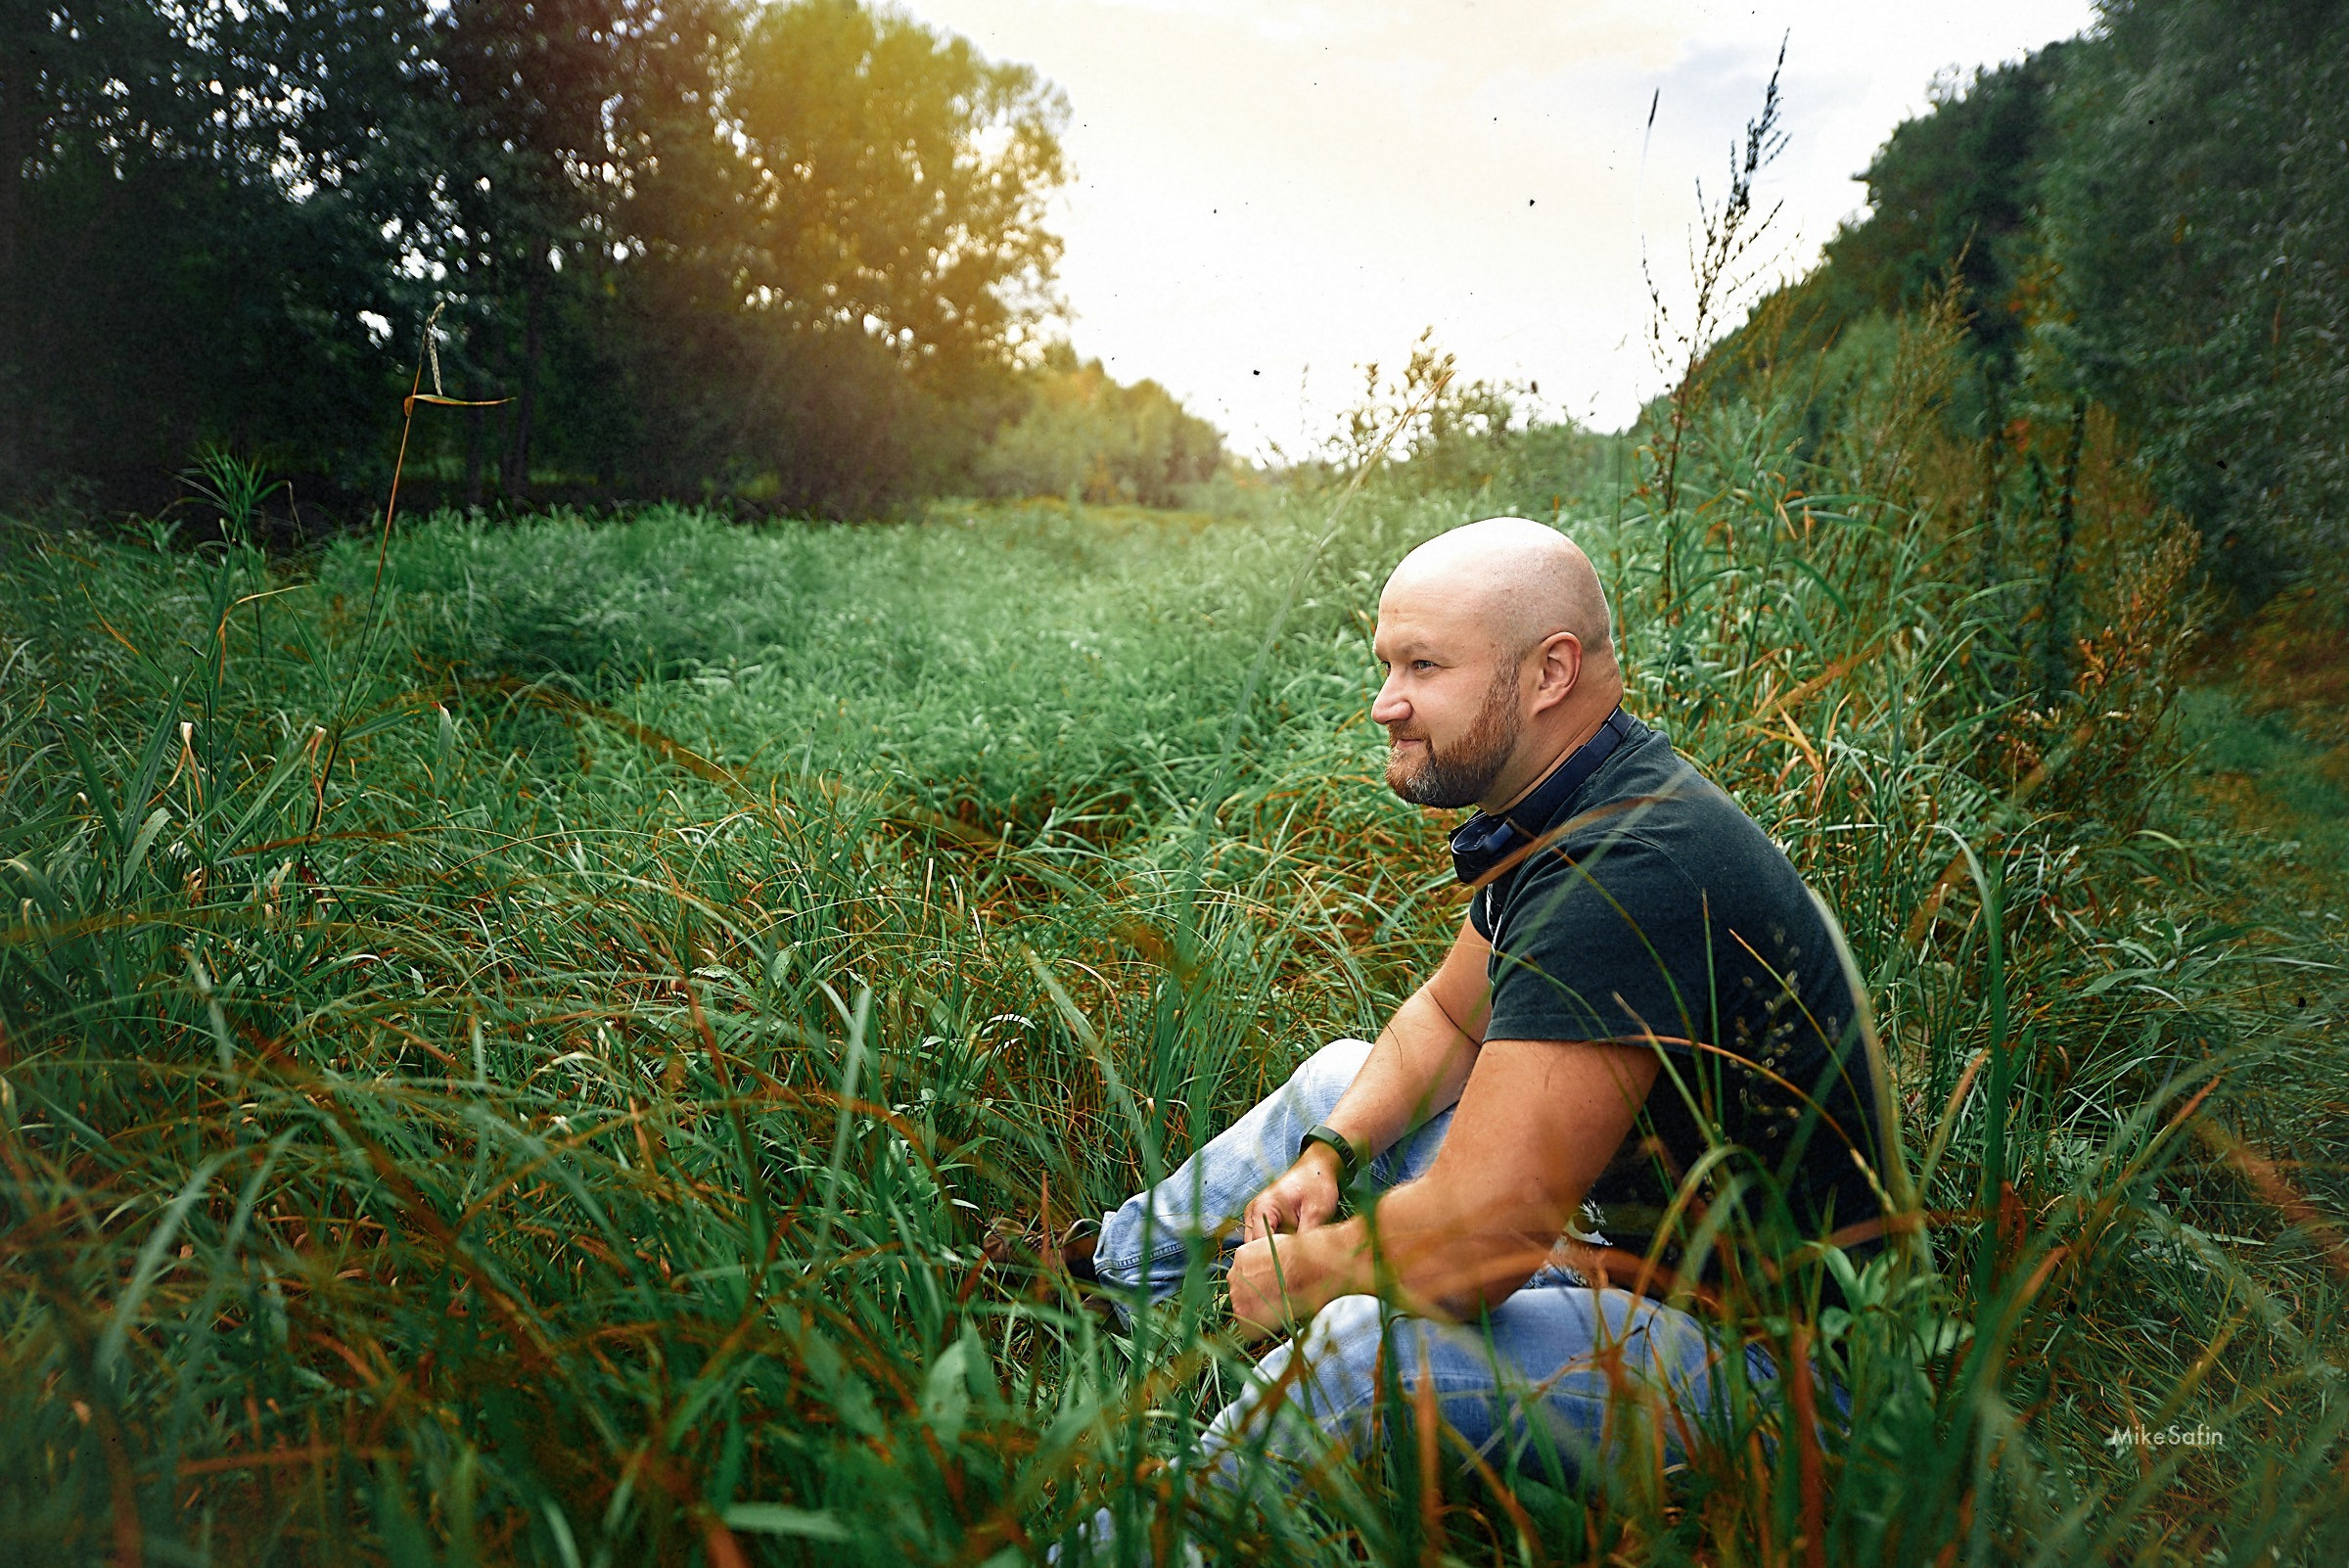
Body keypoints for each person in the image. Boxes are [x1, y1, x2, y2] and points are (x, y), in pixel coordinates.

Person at [1015, 516, 1894, 1495]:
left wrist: (1310, 1272)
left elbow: (1483, 1243)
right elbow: (1449, 1019)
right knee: (1344, 1079)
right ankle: (1115, 1291)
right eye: (1387, 665)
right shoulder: (1577, 801)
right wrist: (1328, 1155)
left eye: (1424, 666)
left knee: (1360, 1348)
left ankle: (1151, 1526)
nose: (1385, 704)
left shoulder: (1630, 865)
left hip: (1775, 1372)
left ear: (1550, 672)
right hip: (1629, 1257)